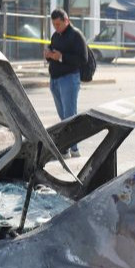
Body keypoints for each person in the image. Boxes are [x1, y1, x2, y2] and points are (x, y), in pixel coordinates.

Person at [45, 9, 87, 157]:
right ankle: (70, 147)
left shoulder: (76, 35)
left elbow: (83, 59)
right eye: (54, 24)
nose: (56, 27)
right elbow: (53, 54)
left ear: (66, 21)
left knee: (70, 116)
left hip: (69, 79)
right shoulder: (55, 36)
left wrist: (62, 57)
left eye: (58, 24)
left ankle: (71, 149)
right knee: (63, 116)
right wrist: (49, 55)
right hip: (55, 79)